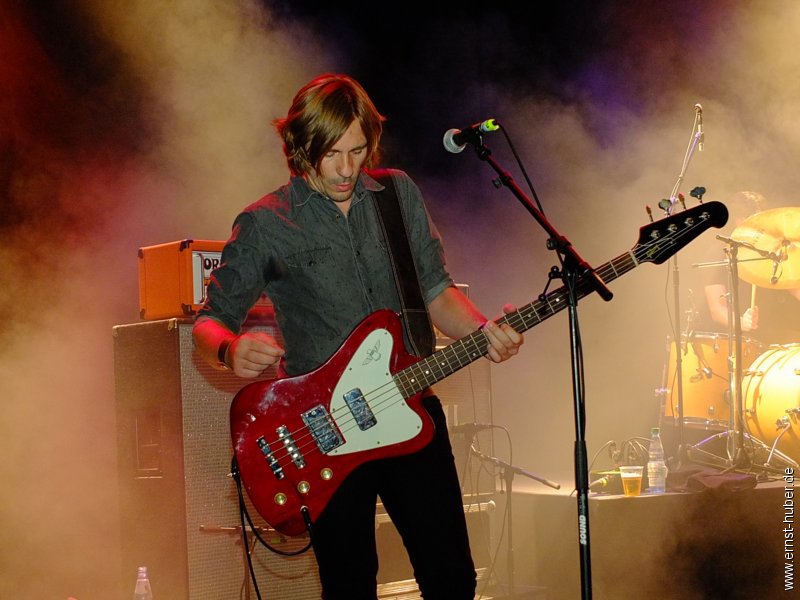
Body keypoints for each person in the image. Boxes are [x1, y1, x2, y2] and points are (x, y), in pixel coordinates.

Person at [192, 73, 524, 599]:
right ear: (300, 148)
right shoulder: (265, 223)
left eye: (357, 150)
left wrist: (485, 332)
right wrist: (229, 349)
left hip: (410, 408)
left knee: (452, 579)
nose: (347, 169)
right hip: (324, 432)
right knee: (349, 587)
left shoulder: (397, 194)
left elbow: (436, 289)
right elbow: (208, 321)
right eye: (331, 155)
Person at [699, 191, 800, 346]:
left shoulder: (775, 250)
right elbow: (717, 308)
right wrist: (742, 322)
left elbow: (794, 286)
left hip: (776, 332)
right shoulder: (720, 252)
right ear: (739, 221)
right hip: (736, 339)